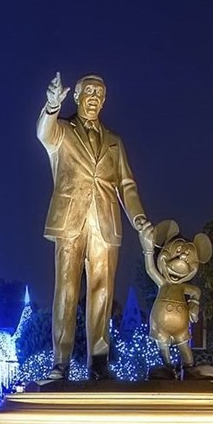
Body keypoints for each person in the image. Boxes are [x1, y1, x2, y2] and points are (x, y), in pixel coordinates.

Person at [37, 72, 151, 380]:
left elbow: (127, 185)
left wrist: (139, 218)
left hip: (105, 222)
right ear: (76, 96)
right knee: (66, 290)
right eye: (89, 92)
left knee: (103, 291)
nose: (95, 98)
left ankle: (98, 361)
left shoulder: (114, 141)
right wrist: (52, 106)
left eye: (100, 95)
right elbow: (44, 133)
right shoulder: (63, 131)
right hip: (70, 221)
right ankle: (60, 363)